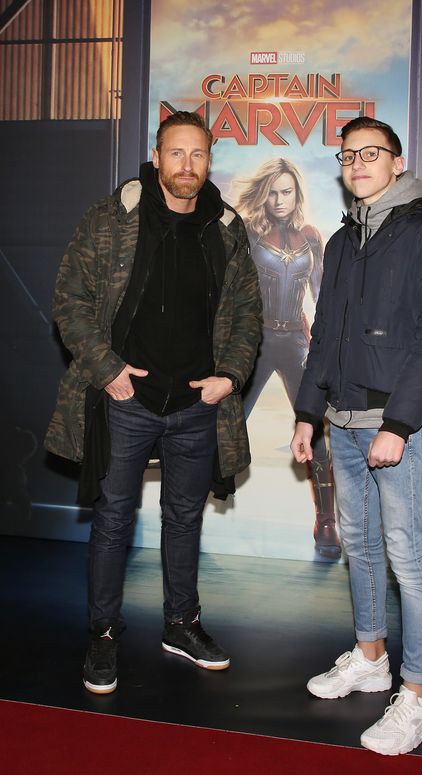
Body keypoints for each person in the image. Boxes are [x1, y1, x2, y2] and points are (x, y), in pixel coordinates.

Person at [45, 111, 262, 694]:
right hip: (126, 401)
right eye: (176, 153)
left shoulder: (226, 226)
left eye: (198, 155)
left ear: (209, 160)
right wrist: (107, 368)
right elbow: (71, 298)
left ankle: (181, 625)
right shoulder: (112, 216)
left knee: (184, 519)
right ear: (157, 156)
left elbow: (247, 312)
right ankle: (104, 634)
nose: (186, 165)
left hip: (196, 404)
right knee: (114, 520)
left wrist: (231, 374)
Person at [291, 117, 422, 755]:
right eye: (349, 155)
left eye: (371, 153)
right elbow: (324, 337)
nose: (358, 163)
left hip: (391, 426)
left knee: (408, 559)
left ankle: (420, 697)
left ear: (396, 163)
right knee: (362, 550)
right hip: (341, 423)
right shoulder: (345, 241)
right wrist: (305, 412)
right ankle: (370, 659)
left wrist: (400, 425)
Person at [235, 159, 340, 559]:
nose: (279, 200)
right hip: (256, 339)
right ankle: (191, 503)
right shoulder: (246, 233)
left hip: (296, 338)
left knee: (312, 428)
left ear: (297, 194)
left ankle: (326, 520)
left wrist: (323, 342)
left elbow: (324, 296)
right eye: (273, 192)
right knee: (227, 421)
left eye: (287, 191)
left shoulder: (311, 236)